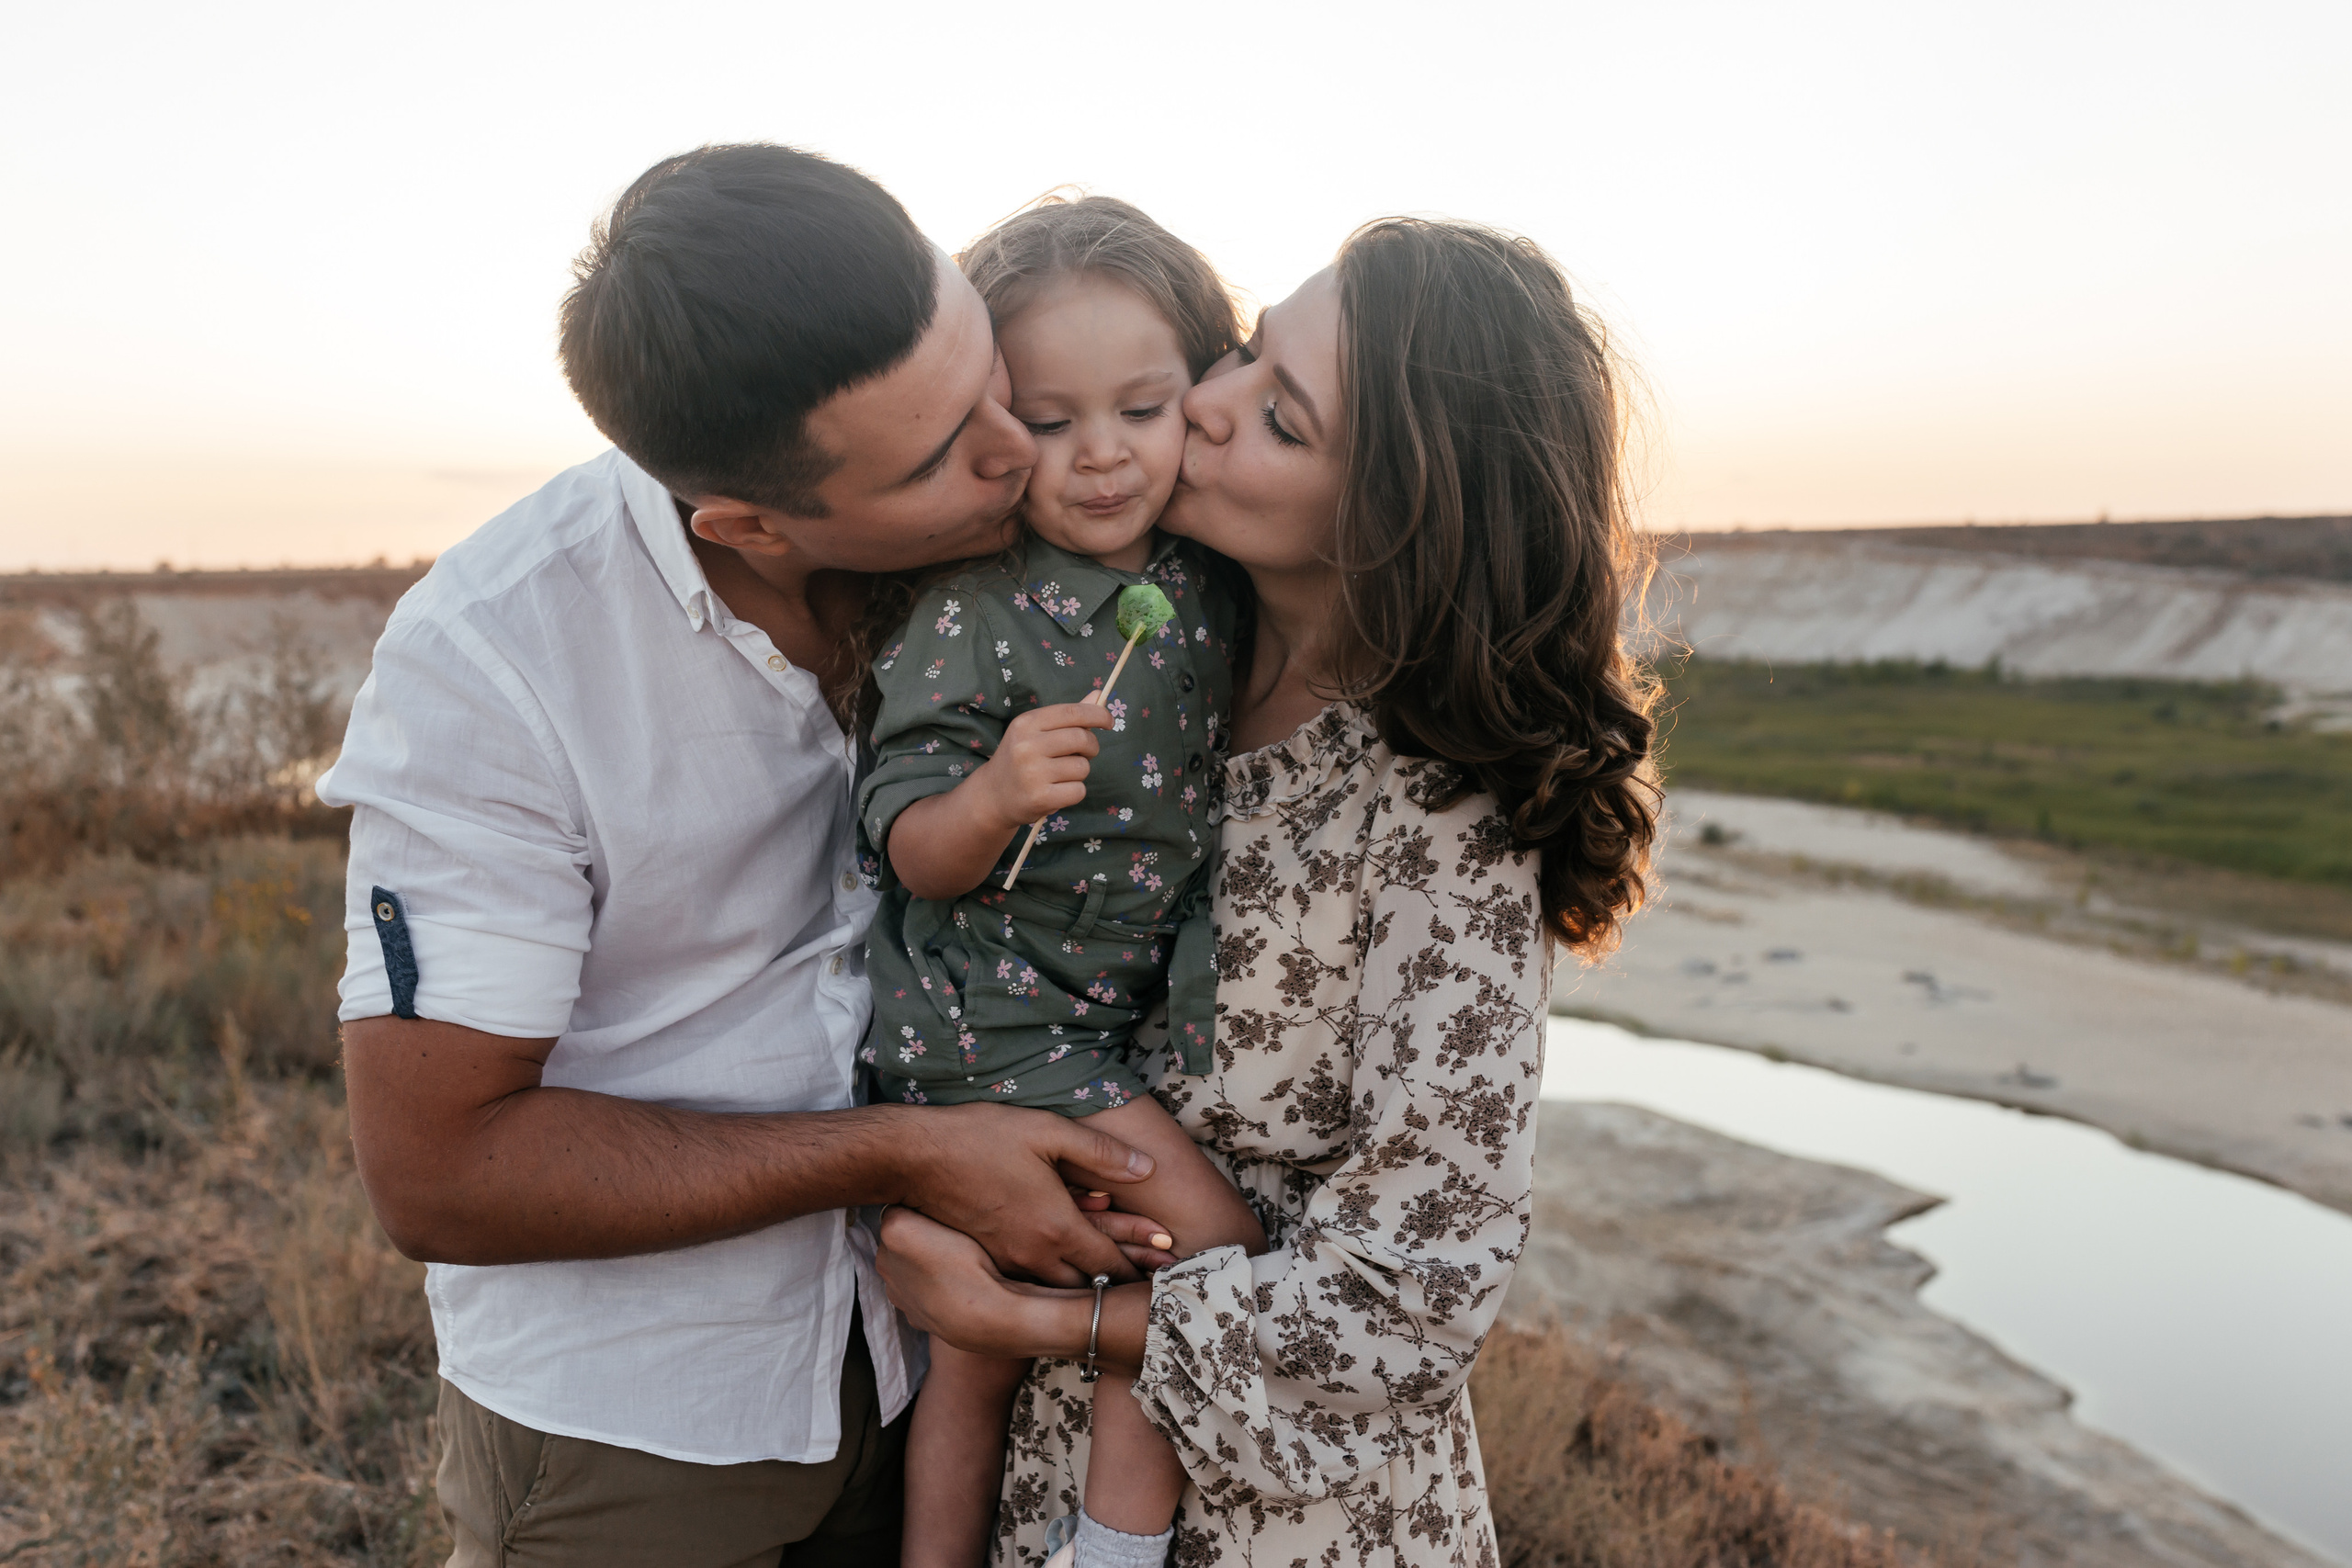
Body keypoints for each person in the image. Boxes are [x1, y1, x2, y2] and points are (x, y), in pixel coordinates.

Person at [322, 144, 1172, 1567]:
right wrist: (907, 1151)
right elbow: (437, 1173)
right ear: (749, 525)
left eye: (983, 372)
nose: (1013, 448)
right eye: (939, 453)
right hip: (643, 1439)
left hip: (936, 1378)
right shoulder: (494, 664)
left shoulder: (1021, 510)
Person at [875, 217, 1662, 1565]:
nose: (1208, 405)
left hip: (1289, 1531)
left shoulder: (1441, 823)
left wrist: (1031, 1322)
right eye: (1244, 355)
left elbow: (1409, 1306)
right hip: (1032, 1488)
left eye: (1282, 419)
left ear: (1398, 515)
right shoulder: (1130, 644)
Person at [857, 197, 1264, 1568]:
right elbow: (904, 843)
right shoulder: (971, 612)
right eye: (1046, 421)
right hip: (990, 1029)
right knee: (1198, 1246)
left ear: (1197, 399)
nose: (1100, 455)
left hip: (1103, 1016)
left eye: (1142, 409)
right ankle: (1115, 1550)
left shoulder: (1212, 580)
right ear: (987, 423)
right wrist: (989, 798)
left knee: (976, 1349)